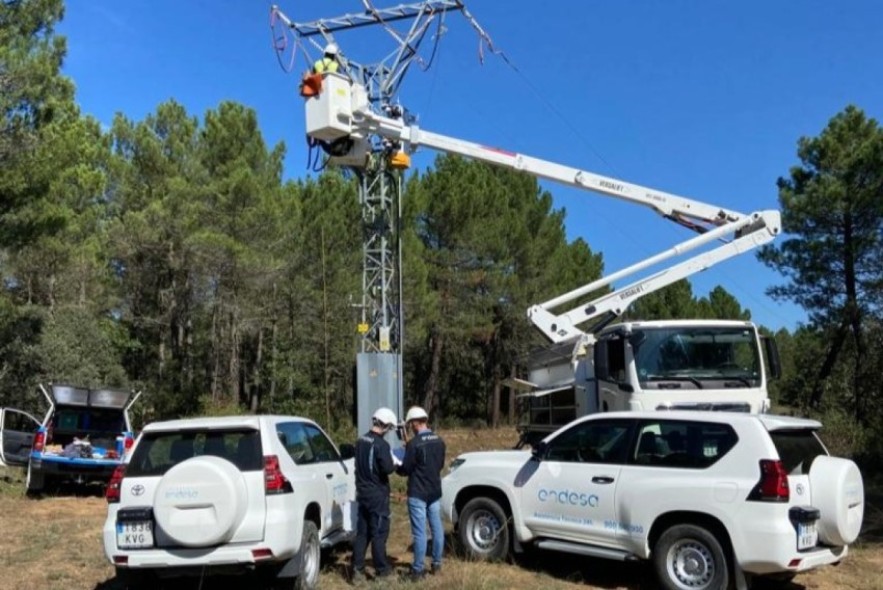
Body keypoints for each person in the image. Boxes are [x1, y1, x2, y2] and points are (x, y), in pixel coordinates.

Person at [397, 406, 446, 580]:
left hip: (418, 492)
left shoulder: (414, 444)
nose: (410, 426)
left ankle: (417, 570)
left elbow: (406, 469)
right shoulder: (439, 441)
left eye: (410, 424)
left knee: (419, 533)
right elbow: (439, 465)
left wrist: (398, 465)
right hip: (434, 491)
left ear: (415, 423)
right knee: (437, 528)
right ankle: (437, 563)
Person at [351, 407, 397, 583]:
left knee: (363, 533)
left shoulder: (361, 440)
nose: (389, 431)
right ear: (385, 425)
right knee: (379, 533)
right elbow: (387, 468)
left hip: (362, 493)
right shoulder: (381, 445)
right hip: (377, 495)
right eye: (390, 427)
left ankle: (357, 571)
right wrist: (395, 463)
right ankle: (382, 572)